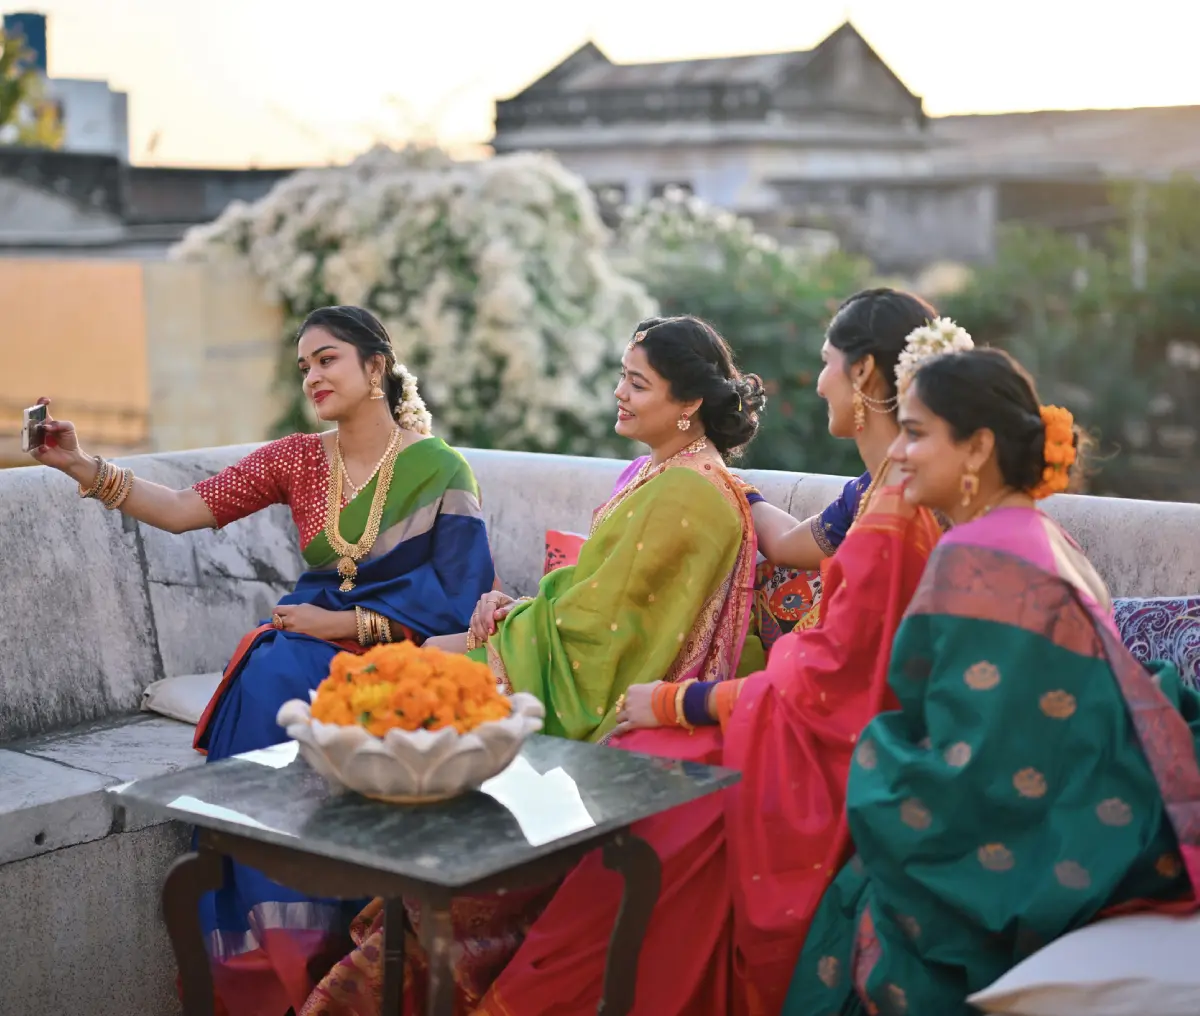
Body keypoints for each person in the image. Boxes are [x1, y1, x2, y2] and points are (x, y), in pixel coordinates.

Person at [468, 290, 956, 1016]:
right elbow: (795, 548)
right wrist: (736, 488)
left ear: (862, 376)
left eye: (827, 364)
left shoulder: (896, 506)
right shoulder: (880, 489)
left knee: (656, 774)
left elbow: (832, 675)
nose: (817, 382)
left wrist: (680, 699)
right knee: (643, 756)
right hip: (816, 705)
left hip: (841, 736)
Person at [31, 304, 496, 1016]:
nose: (312, 376)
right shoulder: (298, 458)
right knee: (271, 673)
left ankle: (330, 960)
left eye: (327, 359)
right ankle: (265, 963)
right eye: (304, 365)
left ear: (376, 366)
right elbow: (184, 508)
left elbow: (463, 601)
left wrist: (348, 622)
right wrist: (80, 464)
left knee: (301, 688)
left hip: (401, 660)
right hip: (303, 646)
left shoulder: (440, 469)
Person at [301, 315, 768, 1016]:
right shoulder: (664, 472)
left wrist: (510, 629)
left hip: (611, 707)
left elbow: (604, 638)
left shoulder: (689, 491)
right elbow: (592, 596)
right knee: (413, 682)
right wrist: (517, 606)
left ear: (689, 402)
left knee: (414, 682)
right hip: (571, 663)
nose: (619, 394)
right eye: (622, 377)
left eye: (638, 384)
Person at [784, 348, 1200, 1016]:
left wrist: (876, 755)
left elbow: (972, 766)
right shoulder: (1044, 533)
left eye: (917, 433)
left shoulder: (973, 556)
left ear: (977, 447)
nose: (900, 452)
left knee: (844, 902)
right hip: (1103, 796)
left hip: (1039, 830)